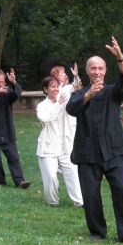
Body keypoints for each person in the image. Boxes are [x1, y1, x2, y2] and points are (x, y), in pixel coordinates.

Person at [66, 37, 123, 245]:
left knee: (122, 190)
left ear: (105, 71)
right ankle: (97, 232)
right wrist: (88, 94)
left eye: (100, 68)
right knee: (90, 195)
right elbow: (71, 109)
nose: (97, 72)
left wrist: (120, 58)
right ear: (87, 71)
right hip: (87, 152)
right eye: (93, 68)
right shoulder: (80, 94)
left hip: (114, 150)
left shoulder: (112, 92)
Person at [36, 76, 83, 206]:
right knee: (51, 176)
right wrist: (58, 104)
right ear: (45, 90)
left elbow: (74, 86)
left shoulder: (64, 98)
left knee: (73, 173)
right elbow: (45, 118)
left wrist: (75, 76)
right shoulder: (42, 105)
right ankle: (53, 202)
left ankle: (79, 202)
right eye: (52, 86)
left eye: (57, 86)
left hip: (66, 145)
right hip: (48, 146)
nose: (56, 89)